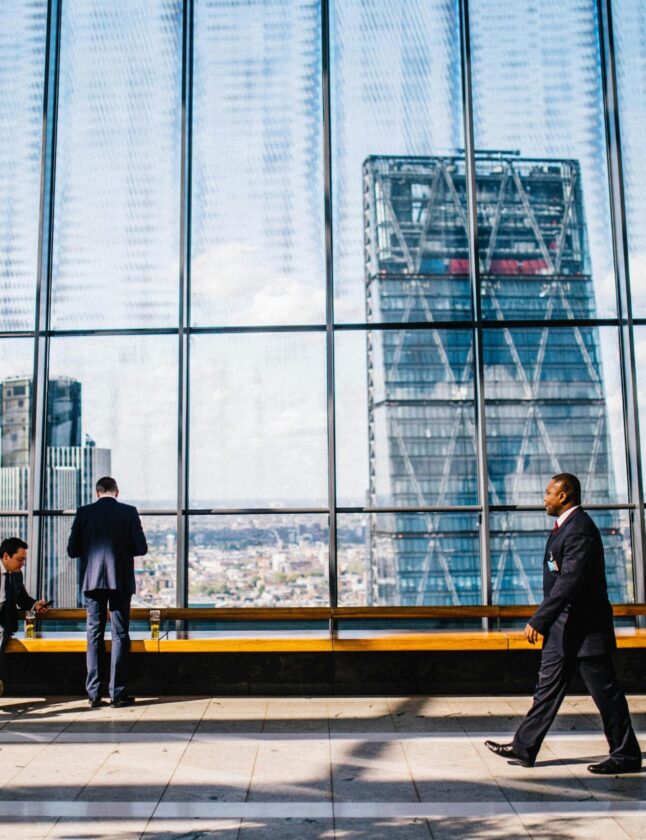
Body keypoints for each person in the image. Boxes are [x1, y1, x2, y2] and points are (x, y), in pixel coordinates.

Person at [485, 473, 642, 775]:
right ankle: (524, 746)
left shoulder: (580, 530)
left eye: (548, 493)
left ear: (564, 496)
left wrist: (540, 619)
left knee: (606, 694)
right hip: (563, 630)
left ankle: (626, 754)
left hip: (584, 631)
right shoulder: (565, 528)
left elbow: (569, 582)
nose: (544, 499)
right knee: (546, 689)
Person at [67, 476, 147, 709]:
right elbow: (141, 548)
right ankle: (117, 694)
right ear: (117, 492)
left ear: (97, 492)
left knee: (94, 634)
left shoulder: (83, 513)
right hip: (120, 580)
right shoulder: (129, 512)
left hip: (92, 581)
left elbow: (72, 550)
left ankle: (93, 694)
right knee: (120, 634)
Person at [0, 537, 49, 699]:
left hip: (6, 624)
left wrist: (36, 605)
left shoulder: (16, 575)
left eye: (24, 560)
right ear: (6, 556)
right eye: (19, 559)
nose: (22, 564)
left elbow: (22, 599)